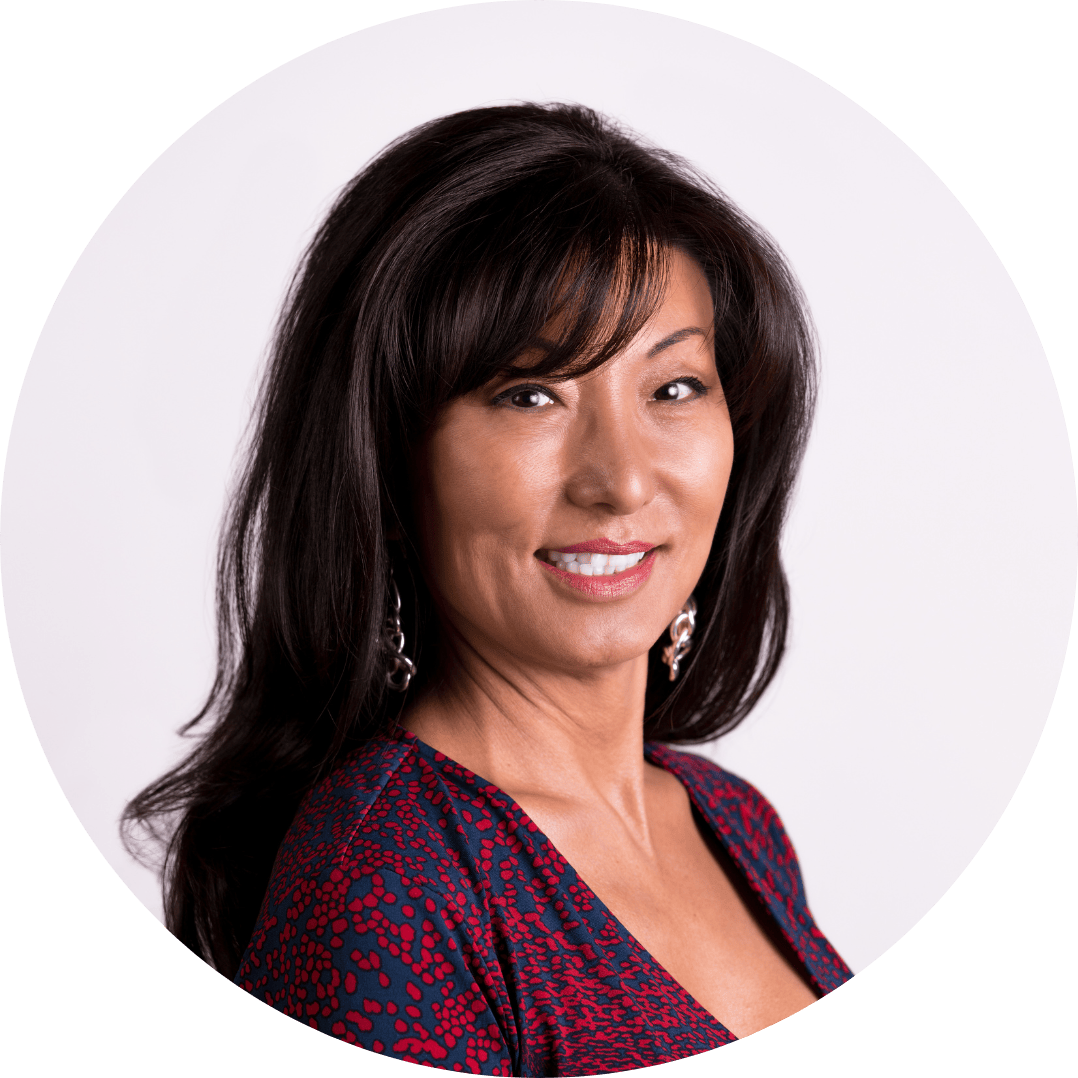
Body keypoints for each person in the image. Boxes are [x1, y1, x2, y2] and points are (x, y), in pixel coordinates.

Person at [125, 103, 851, 1074]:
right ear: (383, 462)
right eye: (529, 393)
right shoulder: (387, 885)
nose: (623, 479)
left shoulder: (731, 819)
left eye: (672, 387)